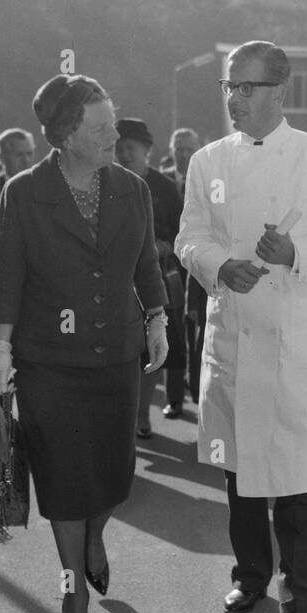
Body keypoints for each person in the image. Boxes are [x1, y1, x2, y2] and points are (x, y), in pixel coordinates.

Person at [175, 41, 307, 613]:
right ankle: (250, 575)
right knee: (241, 476)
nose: (236, 97)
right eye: (230, 86)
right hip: (235, 336)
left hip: (298, 344)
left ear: (281, 91)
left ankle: (300, 607)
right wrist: (217, 266)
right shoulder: (207, 161)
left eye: (249, 87)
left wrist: (298, 254)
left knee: (302, 484)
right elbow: (188, 238)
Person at [0, 75, 169, 613]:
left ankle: (95, 537)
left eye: (113, 121)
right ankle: (73, 584)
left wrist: (157, 319)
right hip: (48, 360)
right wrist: (0, 348)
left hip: (116, 353)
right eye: (102, 125)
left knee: (114, 474)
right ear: (67, 134)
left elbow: (145, 264)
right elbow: (8, 275)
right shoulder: (22, 192)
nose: (115, 133)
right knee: (63, 477)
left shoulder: (132, 188)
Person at [114, 117, 190, 430]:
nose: (124, 154)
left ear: (147, 150)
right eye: (119, 147)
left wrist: (164, 245)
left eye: (130, 147)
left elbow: (182, 234)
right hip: (116, 281)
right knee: (123, 350)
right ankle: (126, 414)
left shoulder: (164, 187)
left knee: (153, 347)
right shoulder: (105, 180)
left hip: (157, 278)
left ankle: (142, 413)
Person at [168, 127, 206, 399]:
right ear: (171, 150)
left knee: (196, 330)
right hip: (168, 268)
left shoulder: (208, 181)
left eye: (189, 149)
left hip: (197, 269)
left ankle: (195, 387)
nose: (183, 154)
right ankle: (174, 397)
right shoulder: (161, 181)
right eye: (179, 149)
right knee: (171, 332)